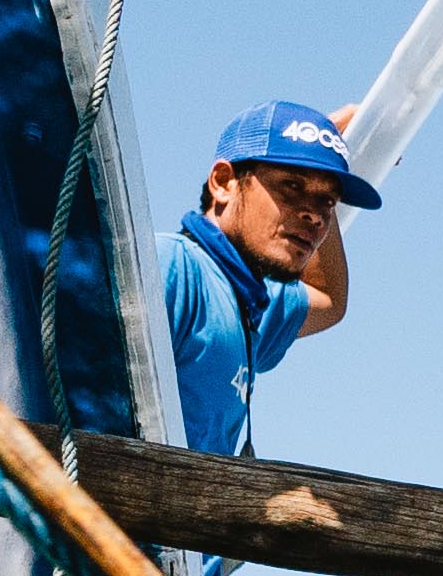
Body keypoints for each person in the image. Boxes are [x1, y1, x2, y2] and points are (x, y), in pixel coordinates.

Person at [160, 93, 374, 459]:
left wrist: (327, 155)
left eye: (327, 201)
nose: (315, 216)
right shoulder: (173, 267)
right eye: (292, 186)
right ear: (224, 182)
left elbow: (329, 300)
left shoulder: (248, 300)